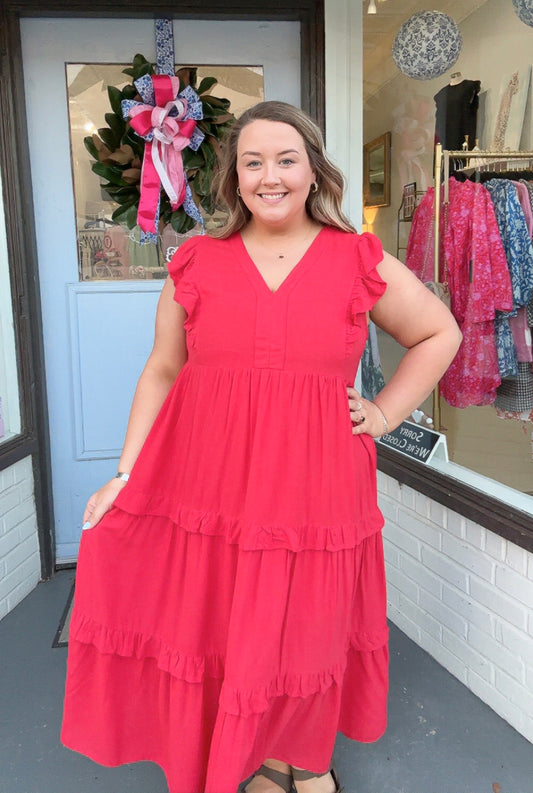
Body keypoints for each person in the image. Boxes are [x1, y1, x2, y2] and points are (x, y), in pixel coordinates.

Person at [61, 100, 462, 793]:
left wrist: (384, 412)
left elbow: (439, 333)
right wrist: (125, 473)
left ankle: (302, 758)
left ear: (313, 172)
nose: (269, 176)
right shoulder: (195, 260)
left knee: (305, 625)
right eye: (253, 162)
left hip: (318, 478)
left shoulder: (356, 257)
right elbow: (162, 368)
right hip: (209, 478)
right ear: (233, 178)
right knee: (225, 617)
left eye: (285, 160)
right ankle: (250, 753)